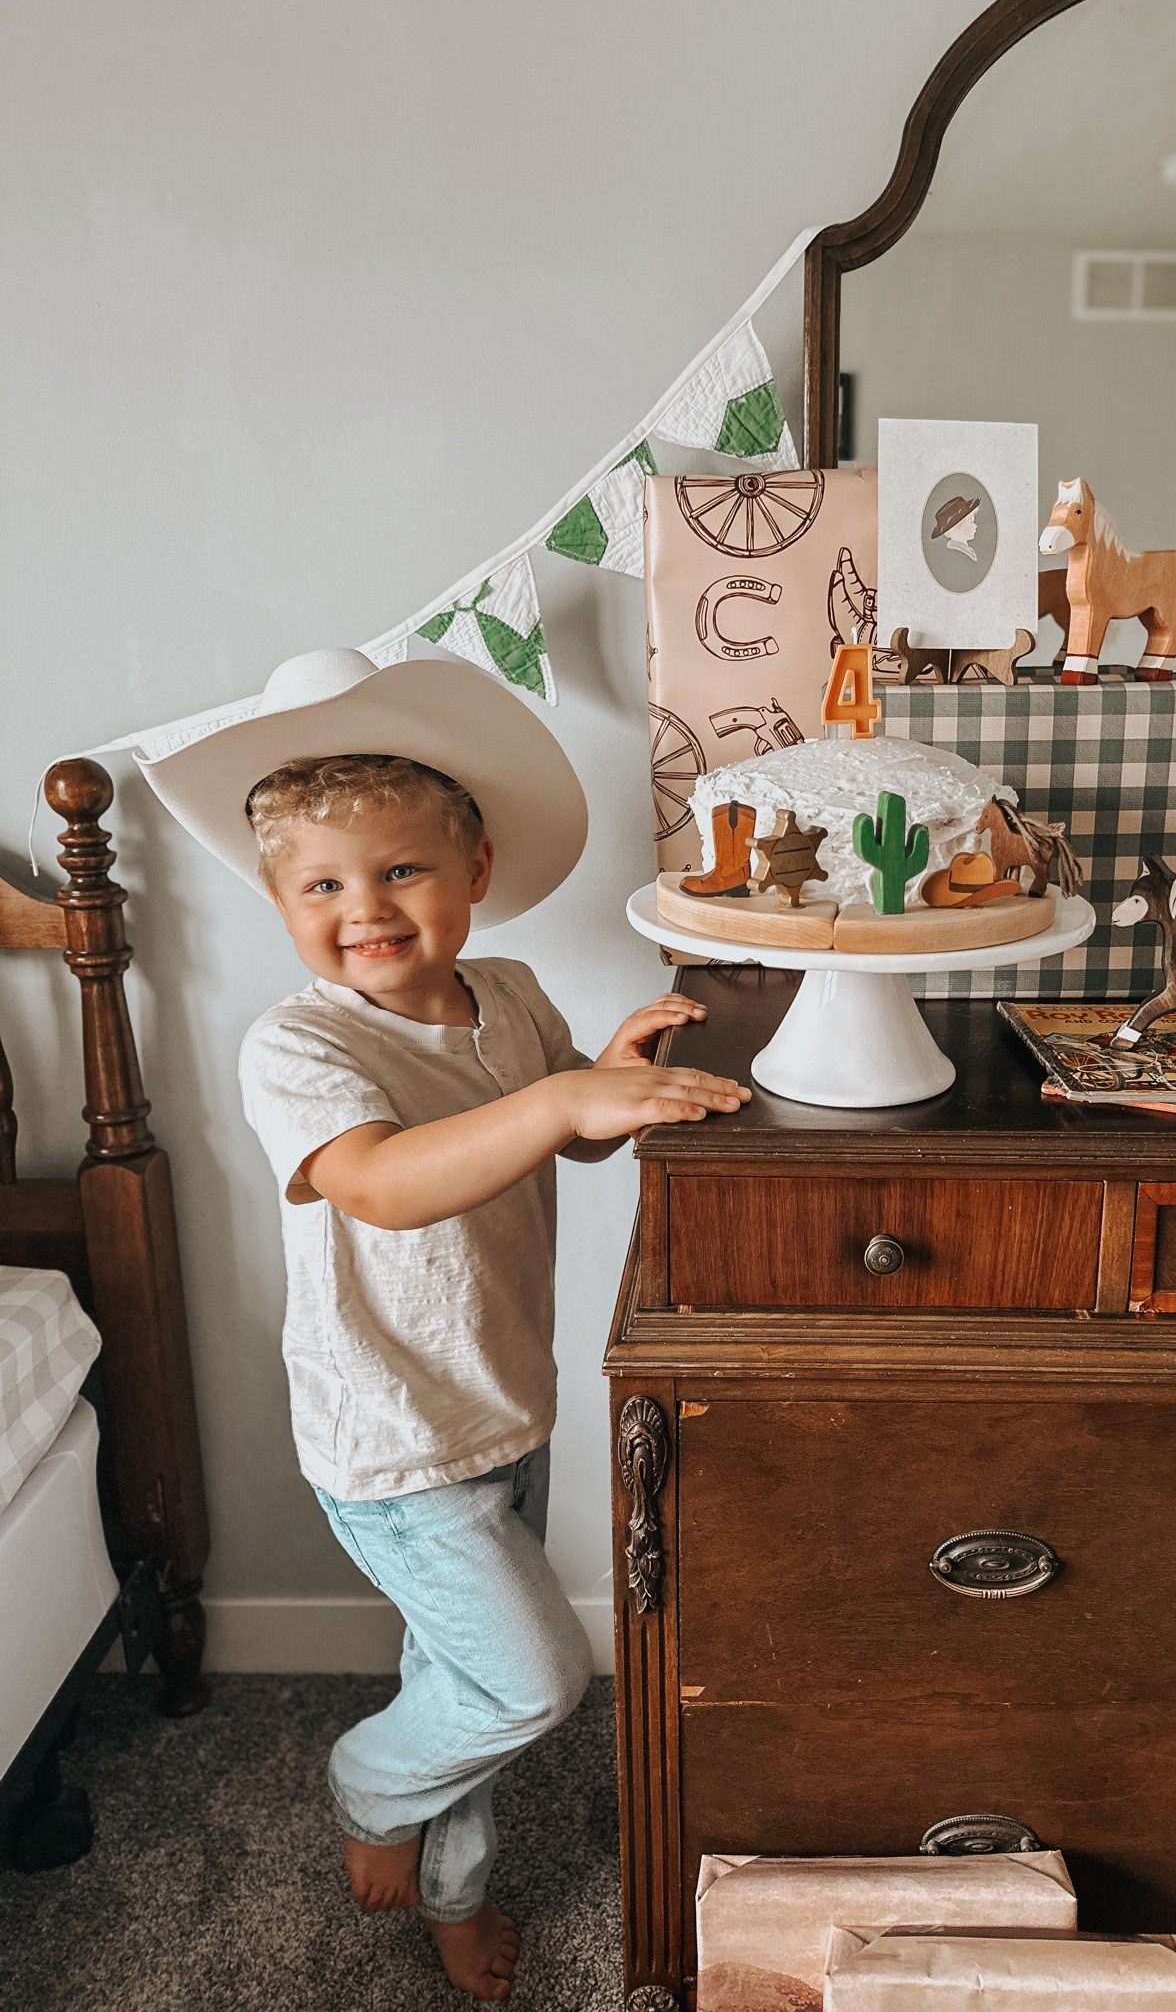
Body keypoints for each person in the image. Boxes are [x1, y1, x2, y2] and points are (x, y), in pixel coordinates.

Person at [136, 647, 750, 2002]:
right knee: (530, 1683)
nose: (367, 908)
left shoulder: (515, 997)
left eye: (402, 871)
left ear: (474, 868)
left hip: (500, 1405)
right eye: (324, 886)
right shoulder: (302, 1048)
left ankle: (457, 1890)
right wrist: (555, 1106)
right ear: (279, 901)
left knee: (459, 1674)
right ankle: (367, 1789)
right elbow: (382, 1184)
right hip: (392, 1436)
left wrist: (602, 1083)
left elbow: (555, 1149)